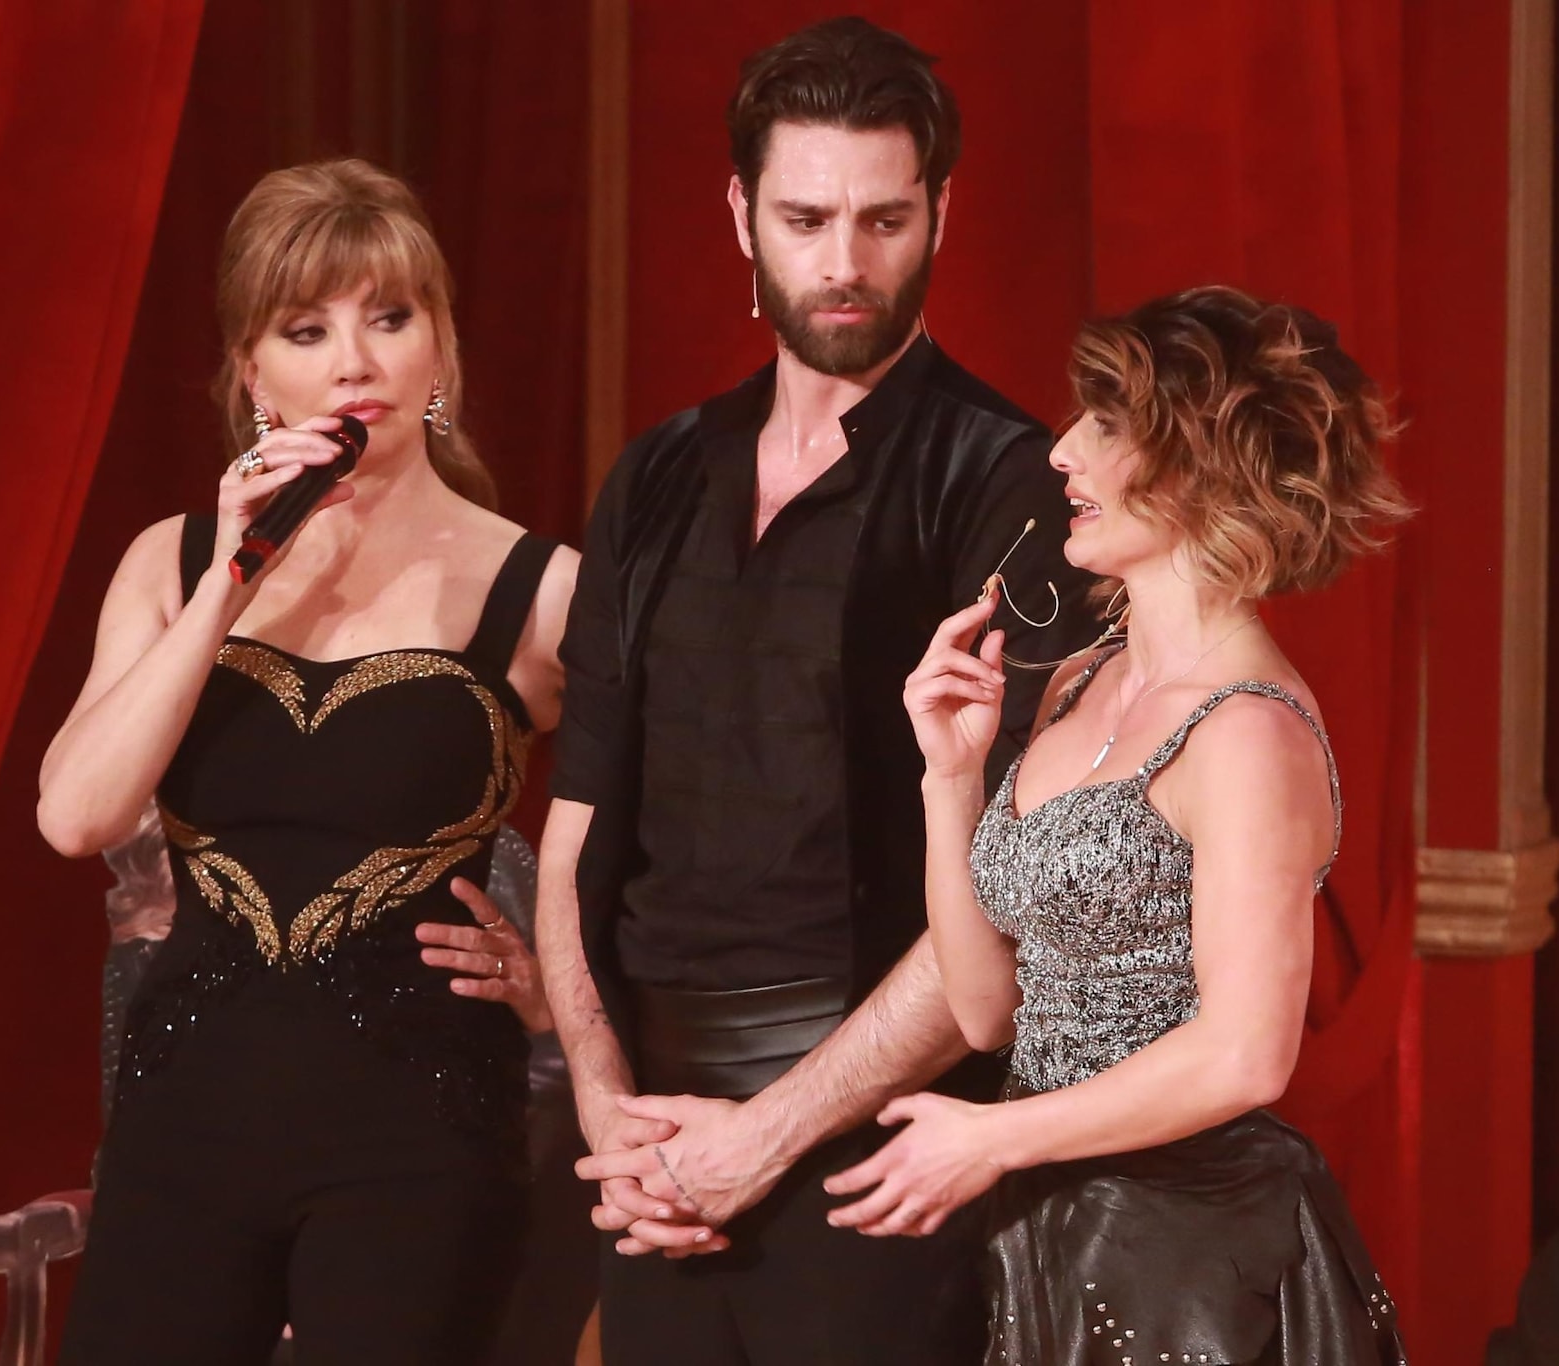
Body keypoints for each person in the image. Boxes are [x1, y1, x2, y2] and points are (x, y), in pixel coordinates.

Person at [537, 18, 1092, 1366]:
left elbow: (1005, 889)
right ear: (740, 216)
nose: (844, 264)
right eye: (805, 219)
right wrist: (609, 1107)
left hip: (884, 1152)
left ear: (942, 211)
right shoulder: (655, 476)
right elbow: (574, 832)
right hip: (652, 1145)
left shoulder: (1007, 483)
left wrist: (765, 1136)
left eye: (883, 220)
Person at [35, 158, 574, 1365]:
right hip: (186, 1122)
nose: (354, 364)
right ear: (251, 374)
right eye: (306, 329)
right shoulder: (173, 563)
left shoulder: (540, 589)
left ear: (439, 349)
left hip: (420, 1133)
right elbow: (76, 815)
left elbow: (662, 837)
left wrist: (559, 986)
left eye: (389, 317)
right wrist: (231, 580)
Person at [825, 285, 1413, 1363]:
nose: (1061, 452)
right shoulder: (1075, 680)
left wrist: (992, 1138)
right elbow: (986, 1012)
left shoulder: (1247, 734)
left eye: (1104, 425)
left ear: (1200, 464)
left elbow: (1246, 1056)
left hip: (1191, 1253)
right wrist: (950, 778)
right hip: (1049, 1224)